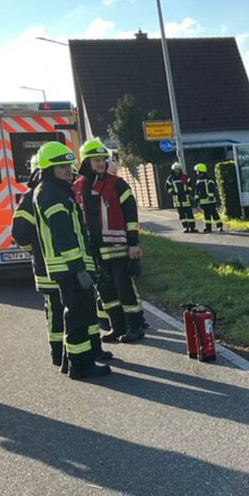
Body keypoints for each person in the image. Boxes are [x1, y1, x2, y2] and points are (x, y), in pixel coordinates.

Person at [33, 141, 111, 379]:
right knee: (77, 317)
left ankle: (71, 361)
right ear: (49, 170)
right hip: (69, 268)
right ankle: (81, 366)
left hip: (71, 266)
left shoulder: (56, 191)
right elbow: (64, 236)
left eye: (68, 165)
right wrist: (79, 269)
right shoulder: (52, 194)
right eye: (61, 167)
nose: (68, 170)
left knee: (80, 314)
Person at [73, 139, 145, 343]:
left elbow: (131, 214)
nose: (101, 163)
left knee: (124, 288)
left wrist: (133, 243)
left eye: (103, 159)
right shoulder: (78, 187)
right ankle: (117, 327)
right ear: (86, 162)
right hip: (93, 250)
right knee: (106, 291)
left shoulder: (117, 184)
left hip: (118, 248)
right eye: (96, 160)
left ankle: (135, 327)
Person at [11, 154, 65, 367]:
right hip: (48, 268)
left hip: (63, 265)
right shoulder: (32, 198)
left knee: (71, 310)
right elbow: (19, 233)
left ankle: (77, 352)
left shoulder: (59, 192)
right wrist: (36, 251)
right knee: (56, 310)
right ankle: (58, 352)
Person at [164, 161, 197, 233]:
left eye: (178, 169)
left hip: (186, 198)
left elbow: (190, 185)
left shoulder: (184, 177)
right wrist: (172, 192)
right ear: (173, 170)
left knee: (189, 214)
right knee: (182, 215)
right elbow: (167, 187)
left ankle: (192, 227)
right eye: (176, 169)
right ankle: (185, 227)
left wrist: (188, 191)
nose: (177, 171)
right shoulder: (171, 178)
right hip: (177, 200)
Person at [194, 163, 223, 233]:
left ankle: (219, 226)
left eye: (197, 171)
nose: (197, 173)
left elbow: (212, 189)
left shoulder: (209, 180)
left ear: (201, 171)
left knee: (214, 213)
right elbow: (197, 191)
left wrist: (210, 196)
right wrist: (197, 198)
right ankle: (208, 228)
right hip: (203, 202)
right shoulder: (198, 181)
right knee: (206, 215)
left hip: (211, 201)